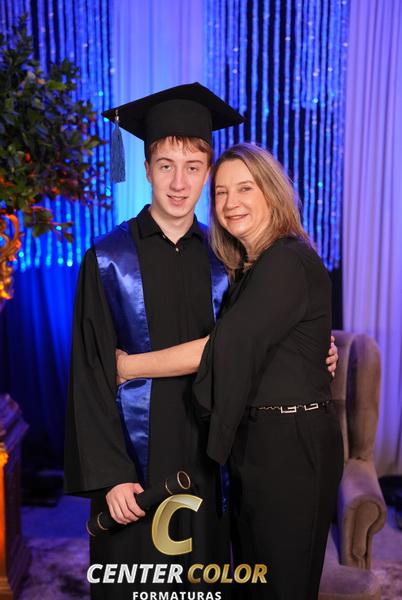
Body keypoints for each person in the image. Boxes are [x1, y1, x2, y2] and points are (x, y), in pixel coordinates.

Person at [116, 142, 344, 600]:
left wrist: (128, 366)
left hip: (291, 448)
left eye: (245, 188)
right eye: (220, 192)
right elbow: (272, 344)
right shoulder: (249, 269)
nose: (230, 202)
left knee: (282, 585)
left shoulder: (286, 259)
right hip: (260, 441)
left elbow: (222, 349)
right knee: (257, 580)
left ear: (272, 193)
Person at [64, 83, 244, 599]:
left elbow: (253, 347)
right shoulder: (108, 259)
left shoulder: (227, 260)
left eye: (193, 166)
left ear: (207, 172)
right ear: (146, 169)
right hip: (134, 462)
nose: (179, 182)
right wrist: (111, 475)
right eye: (166, 165)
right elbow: (90, 373)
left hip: (208, 457)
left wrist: (317, 352)